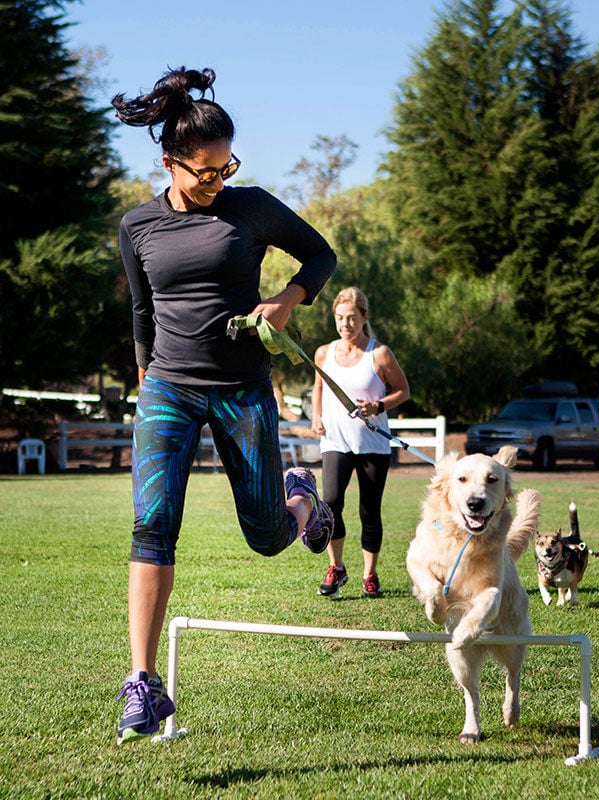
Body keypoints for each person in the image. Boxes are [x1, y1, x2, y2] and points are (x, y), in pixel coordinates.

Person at [111, 67, 336, 743]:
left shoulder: (253, 207)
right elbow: (141, 310)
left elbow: (319, 256)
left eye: (225, 167)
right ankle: (144, 685)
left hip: (242, 387)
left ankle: (302, 498)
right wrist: (150, 377)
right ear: (170, 161)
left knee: (268, 538)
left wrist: (286, 302)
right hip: (169, 391)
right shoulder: (137, 226)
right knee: (152, 523)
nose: (217, 181)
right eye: (205, 171)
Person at [310, 287, 410, 598]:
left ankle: (370, 574)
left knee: (369, 511)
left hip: (372, 445)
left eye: (352, 318)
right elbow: (319, 388)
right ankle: (336, 567)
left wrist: (377, 406)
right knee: (331, 503)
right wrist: (316, 416)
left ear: (364, 318)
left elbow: (403, 390)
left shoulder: (378, 354)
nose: (345, 324)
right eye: (340, 318)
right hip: (335, 442)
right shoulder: (324, 353)